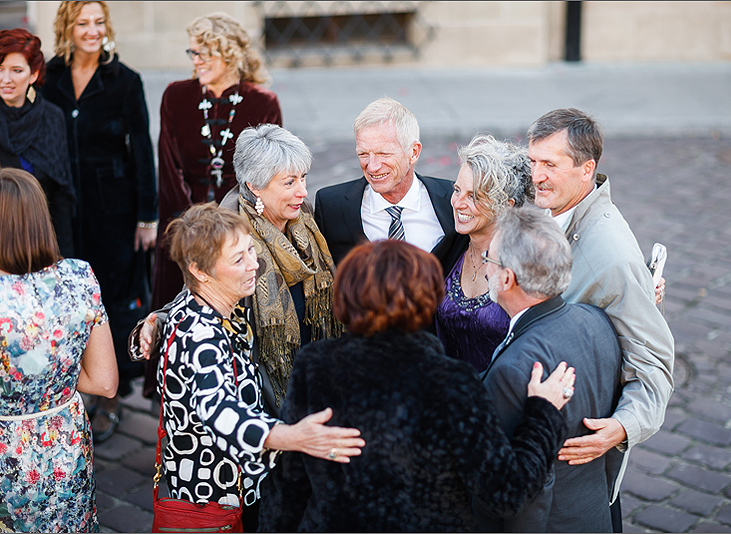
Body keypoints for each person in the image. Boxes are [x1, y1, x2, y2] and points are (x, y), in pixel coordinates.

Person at [258, 239, 576, 532]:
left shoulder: (315, 366)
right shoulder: (451, 382)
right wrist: (543, 414)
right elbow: (507, 492)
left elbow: (289, 483)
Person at [157, 202, 364, 532]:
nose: (255, 264)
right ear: (199, 270)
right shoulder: (201, 336)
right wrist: (294, 437)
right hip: (218, 495)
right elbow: (220, 410)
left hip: (239, 480)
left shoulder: (216, 304)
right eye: (238, 259)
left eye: (251, 250)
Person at [526, 108, 675, 531]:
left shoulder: (610, 257)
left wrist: (622, 427)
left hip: (572, 459)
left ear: (587, 169)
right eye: (532, 161)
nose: (535, 176)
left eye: (550, 165)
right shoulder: (546, 199)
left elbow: (654, 365)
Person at [137, 125, 342, 417]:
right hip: (268, 393)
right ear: (255, 186)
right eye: (289, 183)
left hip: (315, 370)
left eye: (303, 178)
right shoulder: (228, 232)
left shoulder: (302, 213)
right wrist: (158, 322)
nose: (302, 191)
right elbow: (199, 293)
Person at [41, 0, 159, 442]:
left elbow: (142, 152)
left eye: (98, 23)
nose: (91, 31)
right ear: (67, 28)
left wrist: (147, 216)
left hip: (115, 210)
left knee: (110, 297)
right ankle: (75, 385)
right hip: (62, 211)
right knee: (69, 296)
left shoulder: (125, 80)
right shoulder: (48, 75)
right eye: (82, 23)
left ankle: (110, 394)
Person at [0, 168, 118, 533]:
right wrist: (51, 368)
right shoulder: (79, 278)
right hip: (66, 443)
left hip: (1, 452)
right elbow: (106, 383)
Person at [479, 206, 622, 532]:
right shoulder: (597, 321)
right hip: (593, 514)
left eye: (489, 257)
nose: (484, 267)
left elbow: (514, 490)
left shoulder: (515, 371)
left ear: (506, 277)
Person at [152, 12, 283, 312]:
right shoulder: (175, 96)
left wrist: (231, 227)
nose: (196, 59)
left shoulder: (263, 102)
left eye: (204, 53)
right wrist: (188, 227)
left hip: (240, 224)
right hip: (181, 222)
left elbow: (265, 175)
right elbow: (169, 168)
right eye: (192, 52)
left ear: (229, 53)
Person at [314, 97, 468, 276]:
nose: (372, 166)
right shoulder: (331, 206)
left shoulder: (452, 200)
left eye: (383, 153)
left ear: (414, 152)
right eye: (363, 154)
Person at [435, 134, 533, 372]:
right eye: (457, 190)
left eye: (474, 196)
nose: (458, 203)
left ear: (506, 206)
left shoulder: (525, 265)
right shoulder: (449, 248)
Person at [0, 28, 76, 257]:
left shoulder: (52, 118)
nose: (5, 79)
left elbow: (61, 195)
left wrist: (62, 259)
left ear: (33, 74)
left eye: (16, 70)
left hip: (36, 244)